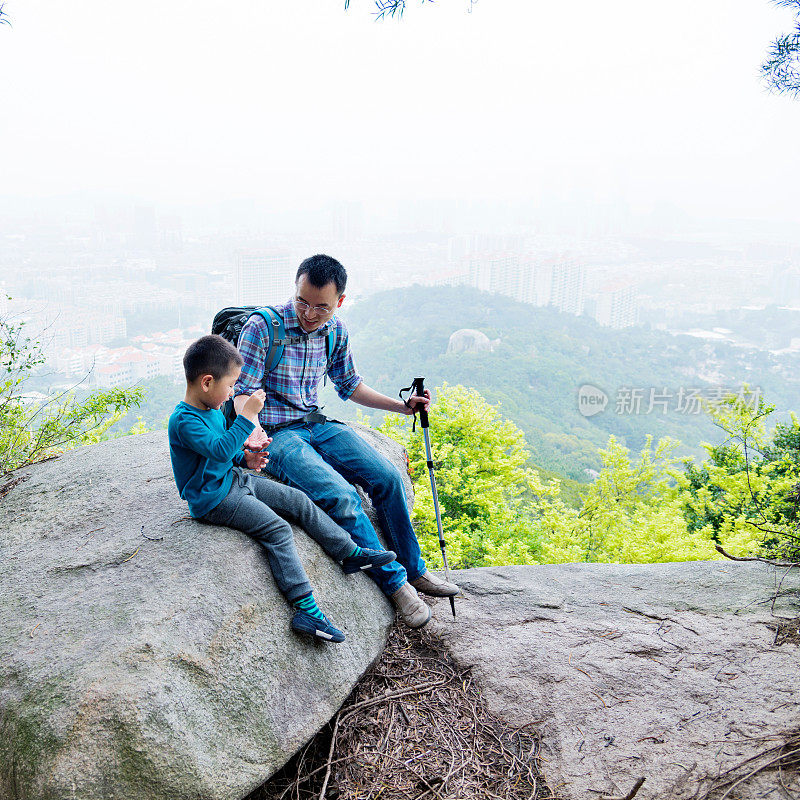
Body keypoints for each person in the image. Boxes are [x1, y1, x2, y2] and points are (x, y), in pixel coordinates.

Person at [233, 254, 460, 629]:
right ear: (296, 288)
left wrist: (403, 408)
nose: (309, 313)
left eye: (321, 306)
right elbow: (242, 391)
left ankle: (414, 568)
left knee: (386, 476)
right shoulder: (263, 327)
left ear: (339, 302)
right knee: (341, 497)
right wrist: (251, 428)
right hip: (278, 433)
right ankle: (397, 586)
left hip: (317, 422)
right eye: (302, 301)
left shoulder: (335, 330)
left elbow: (349, 385)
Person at [168, 334, 398, 643]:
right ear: (207, 382)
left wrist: (247, 459)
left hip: (234, 480)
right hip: (214, 499)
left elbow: (224, 455)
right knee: (277, 530)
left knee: (298, 501)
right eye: (231, 385)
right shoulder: (184, 421)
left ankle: (350, 552)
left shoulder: (211, 410)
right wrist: (247, 416)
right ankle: (306, 610)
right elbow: (219, 449)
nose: (233, 391)